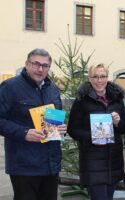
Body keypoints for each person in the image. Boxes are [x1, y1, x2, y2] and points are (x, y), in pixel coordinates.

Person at [0, 48, 67, 200]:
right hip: (24, 166)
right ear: (27, 64)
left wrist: (62, 129)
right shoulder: (10, 87)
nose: (40, 69)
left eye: (45, 65)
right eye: (36, 64)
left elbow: (55, 122)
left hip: (50, 166)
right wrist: (23, 133)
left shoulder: (53, 90)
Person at [67, 63, 125, 200]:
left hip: (114, 159)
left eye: (102, 76)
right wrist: (93, 136)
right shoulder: (81, 100)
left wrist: (118, 123)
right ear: (90, 78)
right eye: (95, 77)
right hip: (93, 160)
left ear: (107, 77)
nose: (99, 80)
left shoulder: (117, 99)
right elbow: (73, 129)